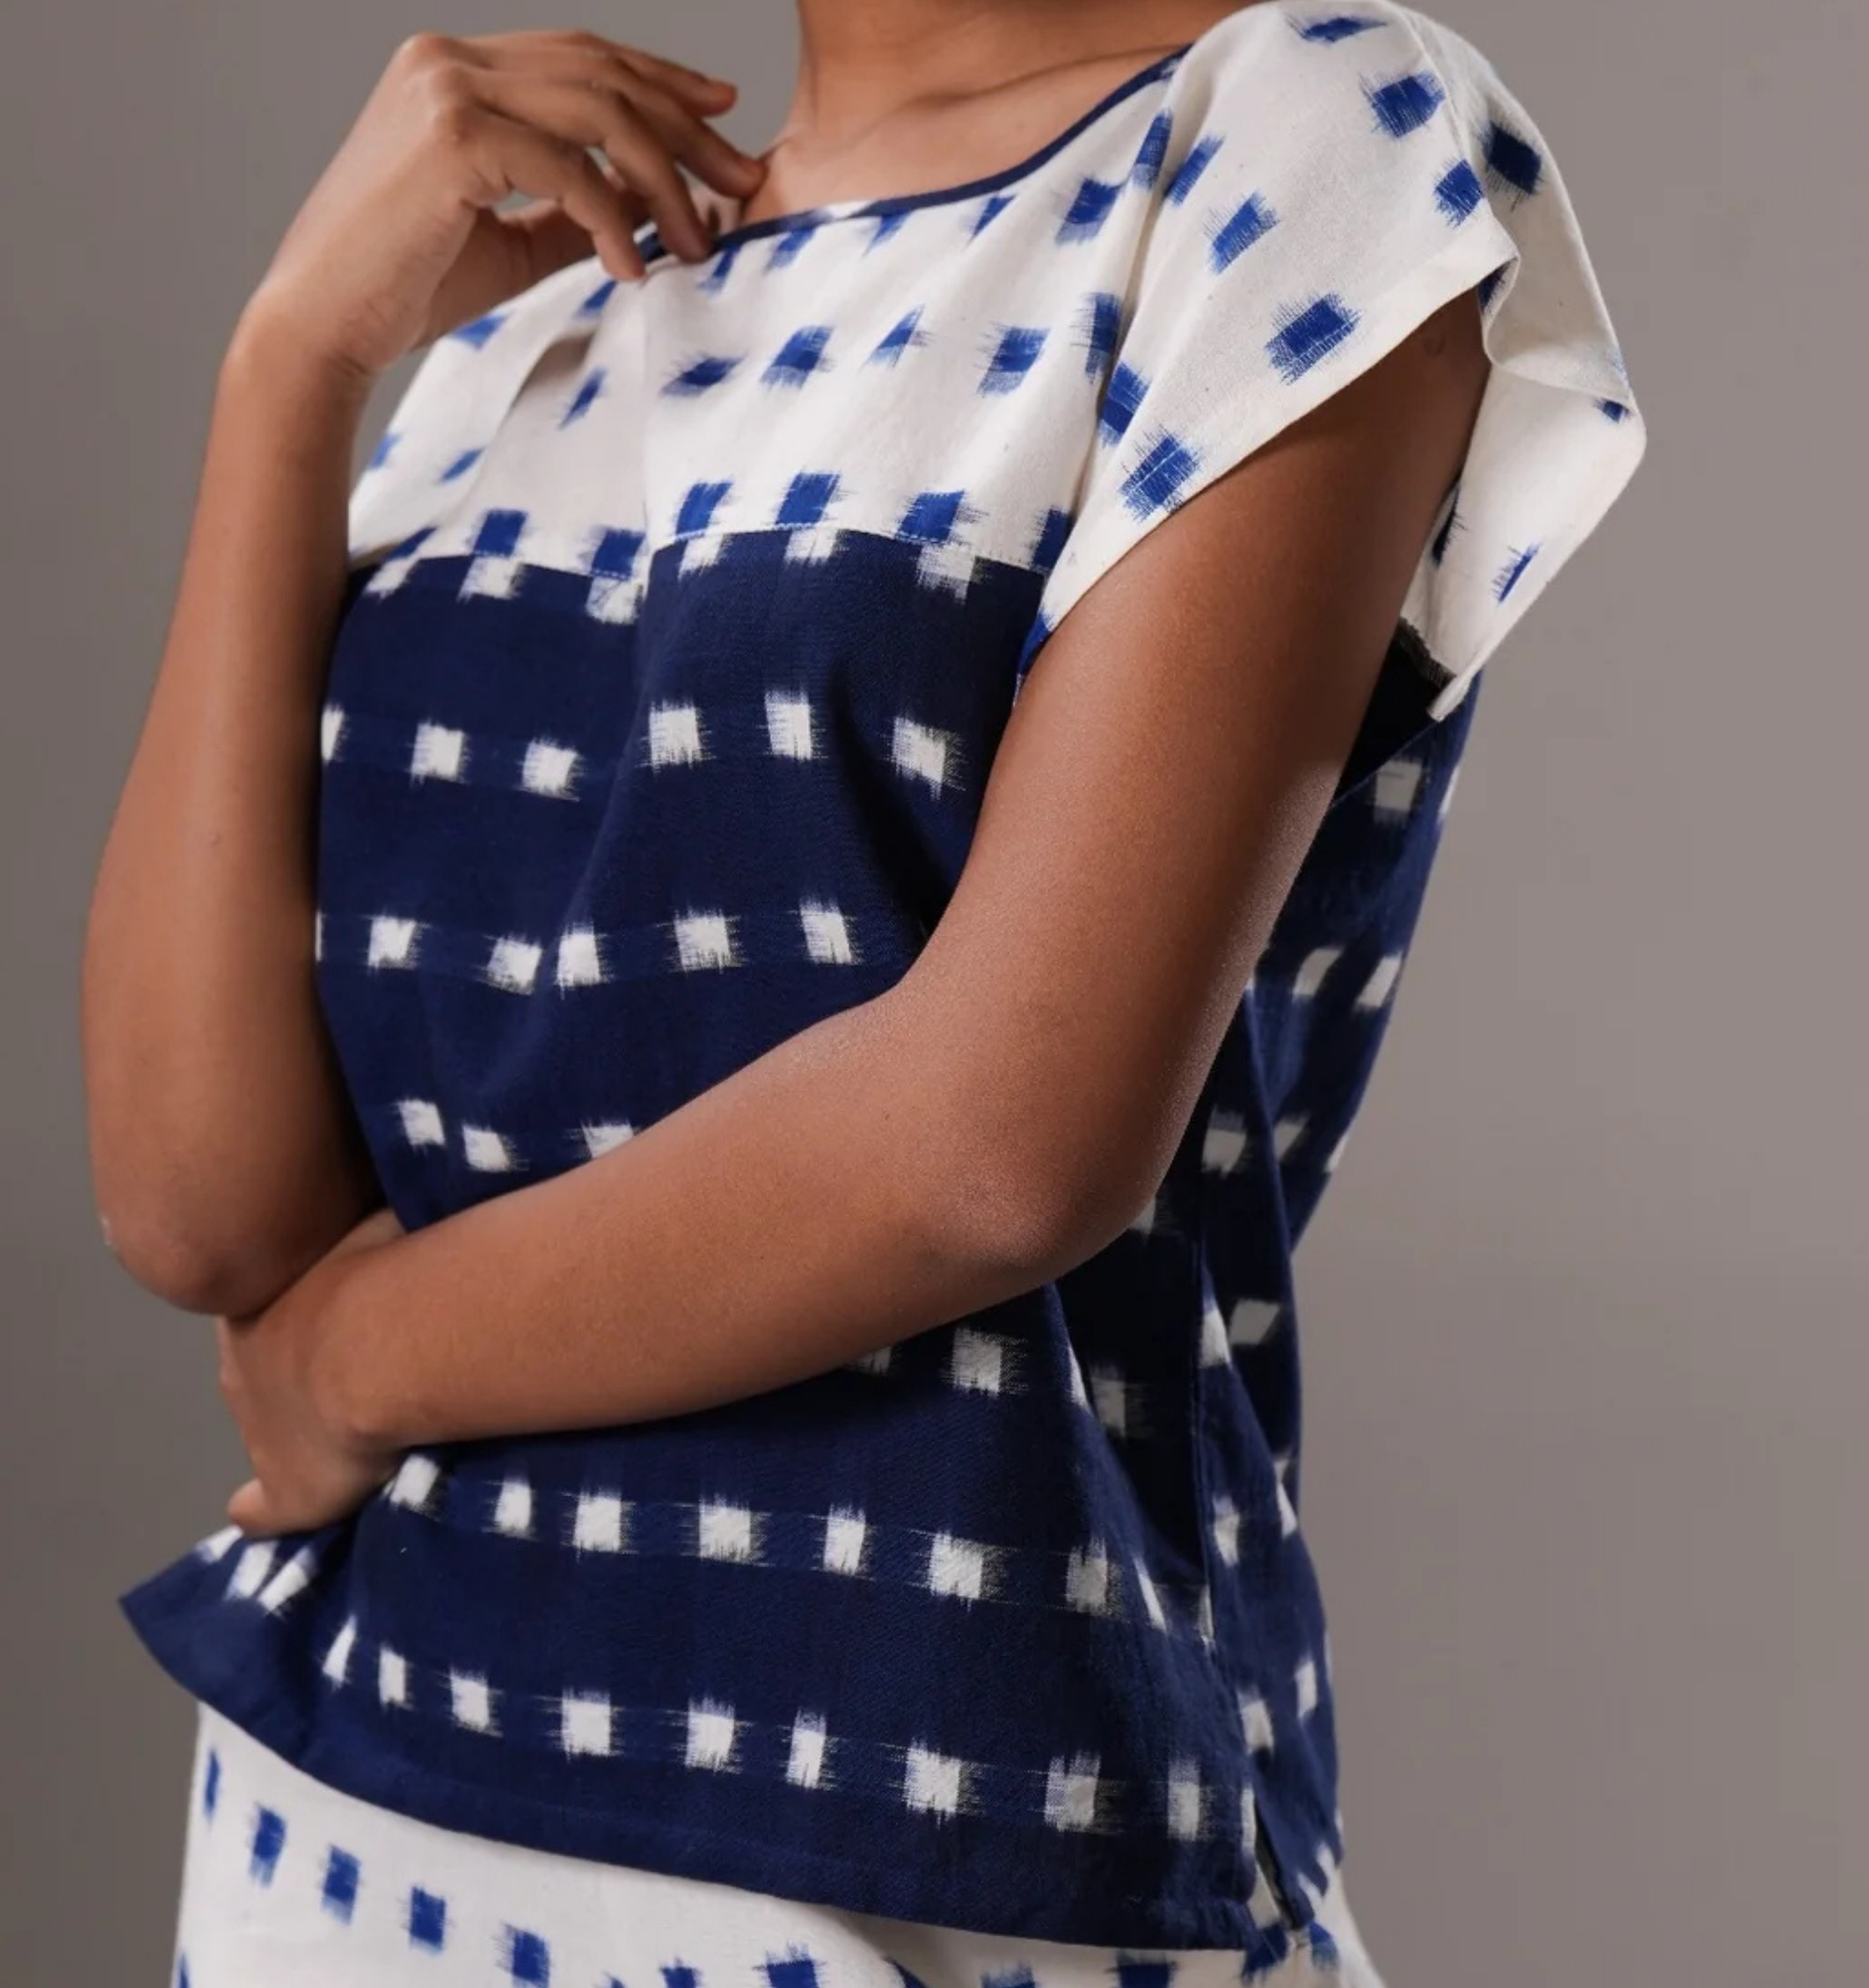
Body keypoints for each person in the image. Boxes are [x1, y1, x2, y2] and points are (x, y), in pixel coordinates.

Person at [82, 2, 1644, 1981]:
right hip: (351, 1820)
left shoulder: (1285, 133)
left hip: (934, 1844)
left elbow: (994, 1144)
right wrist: (293, 362)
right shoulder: (535, 297)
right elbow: (198, 1207)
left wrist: (348, 1365)